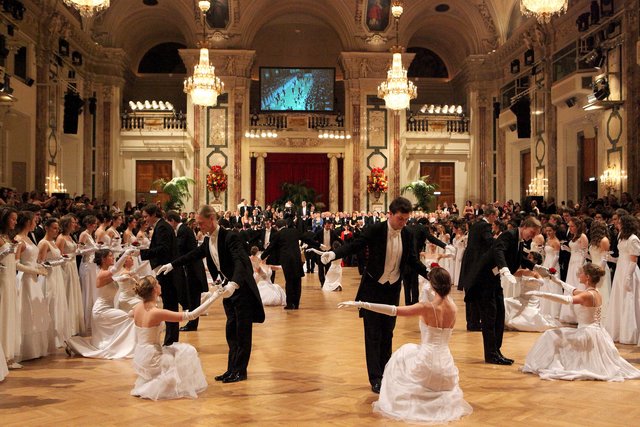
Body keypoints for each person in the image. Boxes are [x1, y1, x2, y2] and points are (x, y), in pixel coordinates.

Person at [320, 197, 429, 394]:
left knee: (388, 333)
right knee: (372, 335)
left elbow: (412, 260)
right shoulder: (375, 230)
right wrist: (334, 254)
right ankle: (376, 378)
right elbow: (355, 245)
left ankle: (387, 373)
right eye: (400, 219)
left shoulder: (407, 234)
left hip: (392, 289)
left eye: (406, 220)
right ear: (390, 214)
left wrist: (430, 275)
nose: (403, 223)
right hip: (372, 288)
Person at [338, 267, 472, 423]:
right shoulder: (454, 308)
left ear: (432, 286)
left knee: (401, 355)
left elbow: (394, 310)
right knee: (409, 353)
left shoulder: (426, 307)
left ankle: (405, 402)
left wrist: (363, 304)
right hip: (446, 365)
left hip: (427, 363)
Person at [157, 205, 264, 383]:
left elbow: (240, 262)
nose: (199, 226)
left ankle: (240, 371)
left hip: (241, 290)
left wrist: (234, 283)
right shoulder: (208, 241)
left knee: (242, 332)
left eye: (202, 223)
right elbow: (193, 255)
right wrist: (172, 264)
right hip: (228, 291)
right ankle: (231, 369)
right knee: (231, 332)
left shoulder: (230, 236)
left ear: (212, 219)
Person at [524, 263, 640, 381]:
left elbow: (566, 299)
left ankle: (545, 363)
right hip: (597, 333)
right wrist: (554, 280)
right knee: (555, 335)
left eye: (582, 273)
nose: (579, 274)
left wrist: (541, 294)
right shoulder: (595, 292)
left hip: (586, 333)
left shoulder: (586, 295)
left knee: (550, 335)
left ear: (588, 277)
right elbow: (572, 290)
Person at [130, 275, 236, 400]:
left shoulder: (137, 308)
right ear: (154, 290)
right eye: (158, 283)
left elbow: (130, 314)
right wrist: (214, 296)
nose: (160, 285)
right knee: (188, 351)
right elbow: (192, 315)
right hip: (153, 356)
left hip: (140, 355)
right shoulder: (156, 312)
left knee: (175, 352)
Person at [465, 216, 539, 365]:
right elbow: (498, 250)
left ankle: (496, 351)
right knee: (489, 317)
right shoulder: (509, 234)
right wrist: (505, 269)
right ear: (524, 226)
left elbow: (517, 258)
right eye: (532, 232)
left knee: (499, 315)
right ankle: (491, 354)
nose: (532, 236)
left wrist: (535, 267)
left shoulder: (518, 240)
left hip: (493, 280)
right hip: (483, 280)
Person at [66, 249, 137, 359]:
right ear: (103, 259)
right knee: (130, 318)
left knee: (130, 318)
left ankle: (125, 346)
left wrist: (124, 277)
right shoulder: (102, 274)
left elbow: (114, 277)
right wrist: (126, 254)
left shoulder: (107, 274)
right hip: (102, 311)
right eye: (110, 256)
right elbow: (115, 270)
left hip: (108, 309)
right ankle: (127, 347)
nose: (113, 258)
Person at [139, 204, 179, 346]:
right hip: (165, 269)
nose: (145, 220)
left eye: (146, 216)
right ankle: (171, 339)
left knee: (170, 304)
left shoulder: (162, 226)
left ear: (153, 215)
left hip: (166, 270)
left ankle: (171, 340)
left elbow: (163, 248)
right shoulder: (162, 225)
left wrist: (142, 253)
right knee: (169, 304)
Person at [458, 207, 499, 332]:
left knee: (470, 292)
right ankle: (474, 323)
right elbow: (489, 241)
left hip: (469, 261)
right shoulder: (485, 226)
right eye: (496, 216)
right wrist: (501, 241)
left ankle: (471, 322)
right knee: (475, 293)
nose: (496, 219)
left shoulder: (476, 224)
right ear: (491, 215)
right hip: (476, 263)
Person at [604, 215, 640, 344]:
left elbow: (633, 260)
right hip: (620, 270)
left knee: (628, 299)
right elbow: (622, 258)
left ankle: (629, 334)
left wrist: (629, 277)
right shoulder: (621, 237)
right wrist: (611, 259)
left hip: (629, 271)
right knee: (619, 298)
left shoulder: (633, 239)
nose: (617, 225)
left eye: (620, 223)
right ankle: (618, 331)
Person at [261, 219, 313, 309]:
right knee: (297, 281)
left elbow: (271, 247)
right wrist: (318, 245)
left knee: (289, 281)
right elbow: (307, 239)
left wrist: (261, 257)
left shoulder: (278, 234)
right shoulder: (294, 231)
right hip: (297, 259)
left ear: (277, 227)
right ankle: (296, 304)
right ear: (285, 225)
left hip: (286, 260)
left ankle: (290, 304)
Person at [0, 207, 20, 368]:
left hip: (11, 277)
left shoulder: (7, 237)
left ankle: (8, 353)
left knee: (10, 312)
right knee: (4, 312)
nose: (15, 222)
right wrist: (7, 251)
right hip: (3, 278)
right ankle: (4, 355)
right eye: (12, 219)